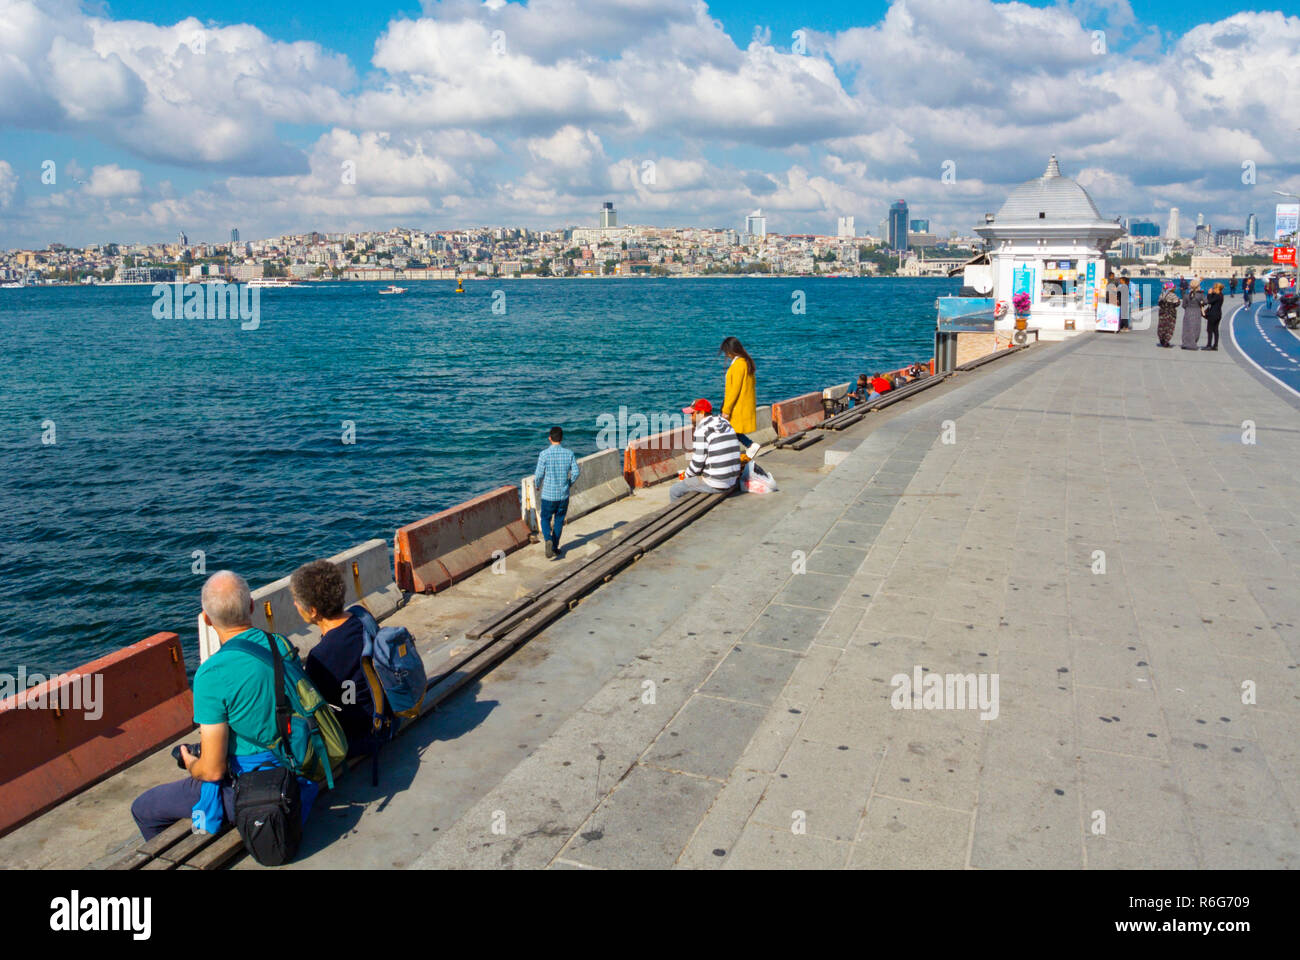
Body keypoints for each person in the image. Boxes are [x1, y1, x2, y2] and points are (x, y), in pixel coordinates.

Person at [130, 571, 319, 840]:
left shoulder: (210, 674)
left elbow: (213, 770)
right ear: (252, 605)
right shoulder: (279, 644)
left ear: (206, 620)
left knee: (144, 807)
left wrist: (191, 762)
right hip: (298, 765)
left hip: (256, 785)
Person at [294, 560, 373, 747]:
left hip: (359, 735)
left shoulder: (320, 656)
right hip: (381, 715)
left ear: (313, 611)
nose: (295, 604)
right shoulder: (362, 618)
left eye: (297, 600)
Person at [669, 398, 741, 502]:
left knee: (675, 490)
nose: (690, 418)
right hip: (733, 479)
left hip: (717, 483)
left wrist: (686, 476)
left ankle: (675, 515)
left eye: (692, 414)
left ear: (701, 413)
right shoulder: (724, 422)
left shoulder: (701, 430)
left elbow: (697, 464)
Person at [534, 426, 579, 559]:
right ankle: (554, 547)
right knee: (559, 521)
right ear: (562, 438)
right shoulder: (569, 453)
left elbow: (538, 475)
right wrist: (568, 484)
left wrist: (537, 485)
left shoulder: (544, 454)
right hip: (563, 495)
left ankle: (548, 538)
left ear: (549, 438)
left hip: (548, 495)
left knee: (545, 519)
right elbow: (576, 472)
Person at [719, 336, 761, 459]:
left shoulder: (738, 365)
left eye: (726, 352)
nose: (726, 355)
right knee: (732, 430)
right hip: (742, 404)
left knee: (729, 430)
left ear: (731, 351)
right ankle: (741, 449)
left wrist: (726, 410)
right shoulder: (746, 363)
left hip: (736, 405)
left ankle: (750, 445)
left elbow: (734, 390)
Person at [1180, 278, 1206, 350]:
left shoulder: (1186, 295)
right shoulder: (1200, 295)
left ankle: (1185, 343)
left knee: (1186, 328)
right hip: (1197, 311)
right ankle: (1193, 342)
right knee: (1195, 328)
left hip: (1188, 311)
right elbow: (1206, 301)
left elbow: (1183, 305)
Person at [1156, 281, 1179, 348]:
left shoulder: (1162, 294)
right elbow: (1177, 303)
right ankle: (1166, 341)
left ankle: (1161, 338)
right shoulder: (1173, 295)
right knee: (1169, 327)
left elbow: (1159, 303)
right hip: (1170, 313)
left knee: (1162, 325)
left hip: (1162, 312)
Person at [1203, 282, 1224, 351]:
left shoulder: (1217, 296)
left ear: (1217, 288)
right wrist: (1211, 293)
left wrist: (1209, 293)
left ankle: (1209, 345)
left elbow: (1210, 301)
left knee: (1210, 330)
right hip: (1218, 314)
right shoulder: (1221, 295)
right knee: (1215, 330)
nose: (1213, 289)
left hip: (1213, 314)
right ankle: (1215, 345)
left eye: (1214, 288)